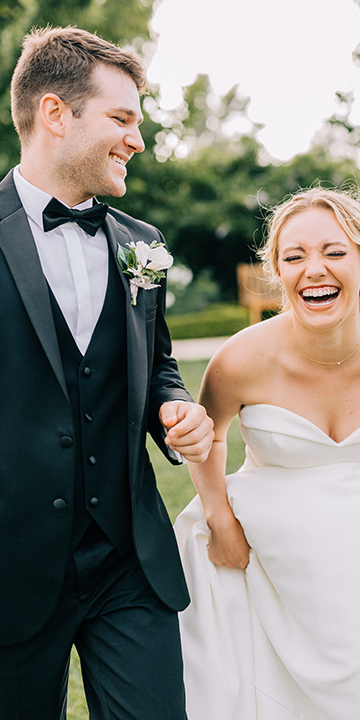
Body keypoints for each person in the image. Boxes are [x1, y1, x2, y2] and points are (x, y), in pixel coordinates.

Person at [174, 186, 360, 720]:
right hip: (272, 544)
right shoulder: (240, 358)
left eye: (334, 252)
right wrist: (220, 515)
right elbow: (212, 434)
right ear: (278, 272)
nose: (314, 269)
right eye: (294, 257)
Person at [0, 26, 214, 720]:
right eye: (122, 119)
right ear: (56, 114)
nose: (139, 140)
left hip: (128, 561)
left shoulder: (141, 245)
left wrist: (172, 407)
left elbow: (159, 365)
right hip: (11, 567)